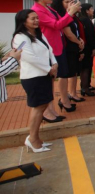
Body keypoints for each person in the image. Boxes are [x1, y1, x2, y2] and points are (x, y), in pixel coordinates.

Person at [30, 0, 80, 122]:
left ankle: (51, 109)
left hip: (57, 47)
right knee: (48, 81)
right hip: (49, 49)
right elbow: (57, 25)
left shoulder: (49, 8)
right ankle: (47, 111)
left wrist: (69, 11)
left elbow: (60, 22)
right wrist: (70, 13)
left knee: (52, 80)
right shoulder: (37, 10)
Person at [13, 9, 57, 152]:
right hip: (32, 77)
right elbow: (28, 57)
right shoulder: (20, 37)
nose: (36, 21)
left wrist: (54, 63)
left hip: (43, 74)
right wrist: (48, 68)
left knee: (42, 105)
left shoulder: (38, 34)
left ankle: (35, 138)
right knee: (38, 107)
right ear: (23, 21)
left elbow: (49, 49)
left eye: (37, 18)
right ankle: (32, 139)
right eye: (33, 19)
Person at [50, 0, 83, 108]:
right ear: (60, 3)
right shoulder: (62, 16)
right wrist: (79, 42)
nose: (70, 4)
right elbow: (68, 34)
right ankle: (64, 99)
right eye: (66, 2)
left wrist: (80, 40)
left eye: (71, 2)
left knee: (73, 72)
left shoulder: (71, 16)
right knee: (64, 74)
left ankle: (72, 94)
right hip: (67, 47)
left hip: (74, 46)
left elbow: (75, 31)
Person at [78, 3, 95, 96]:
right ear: (86, 11)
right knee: (86, 68)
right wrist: (93, 48)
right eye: (91, 9)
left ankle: (86, 85)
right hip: (87, 48)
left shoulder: (82, 19)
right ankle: (85, 88)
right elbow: (90, 36)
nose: (92, 11)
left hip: (84, 47)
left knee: (85, 68)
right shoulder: (85, 20)